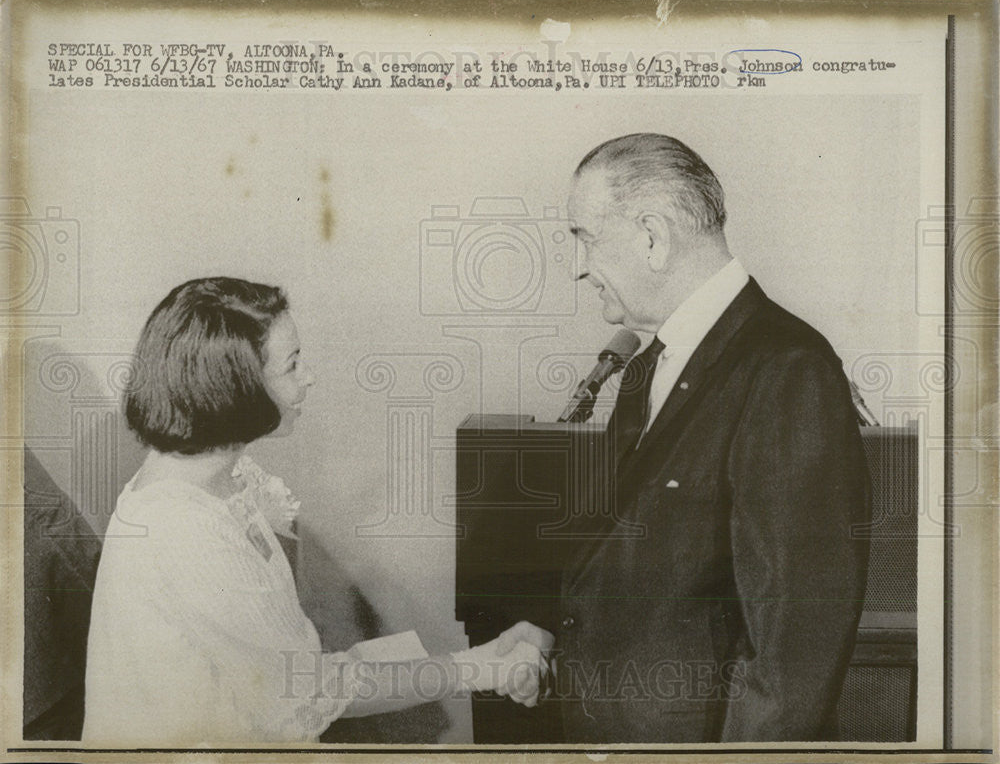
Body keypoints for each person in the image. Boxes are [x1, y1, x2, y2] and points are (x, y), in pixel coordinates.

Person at [83, 277, 553, 745]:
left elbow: (305, 674)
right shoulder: (183, 531)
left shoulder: (215, 480)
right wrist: (486, 669)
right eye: (291, 365)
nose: (308, 377)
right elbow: (310, 689)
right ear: (237, 385)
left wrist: (484, 659)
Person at [554, 134, 871, 742]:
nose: (580, 267)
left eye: (586, 239)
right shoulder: (646, 366)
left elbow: (795, 650)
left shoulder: (788, 368)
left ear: (652, 236)